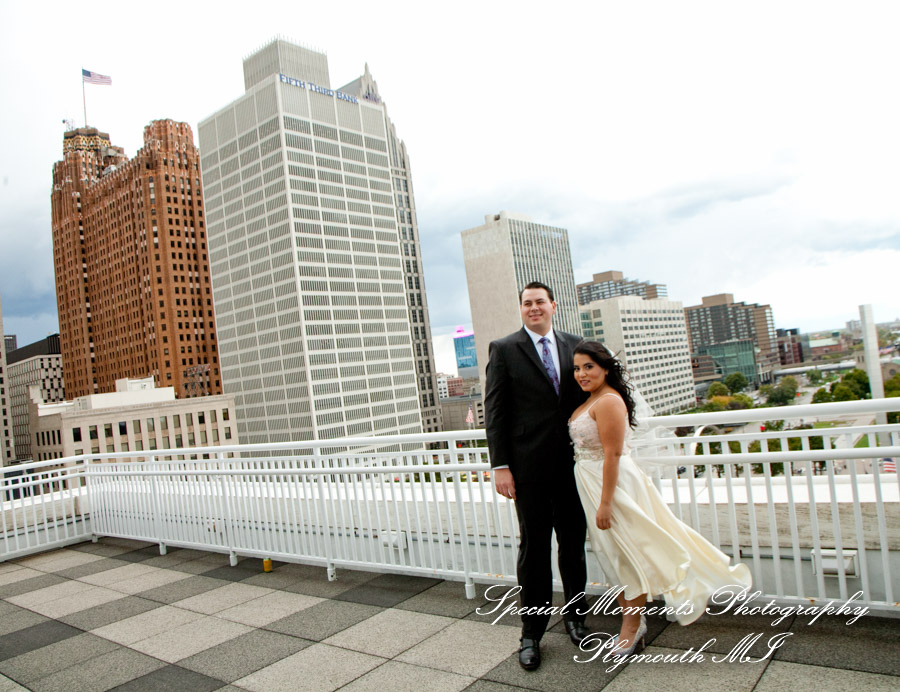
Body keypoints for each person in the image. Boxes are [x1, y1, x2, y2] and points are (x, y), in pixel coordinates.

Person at [569, 341, 752, 655]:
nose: (581, 374)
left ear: (606, 369)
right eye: (576, 368)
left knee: (627, 554)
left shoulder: (609, 401)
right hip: (591, 481)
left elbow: (613, 455)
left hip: (611, 485)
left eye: (589, 367)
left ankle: (632, 627)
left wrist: (606, 503)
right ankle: (632, 622)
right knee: (614, 553)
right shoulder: (591, 399)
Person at [485, 281, 590, 671]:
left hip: (573, 467)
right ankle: (531, 633)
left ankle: (577, 619)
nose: (534, 308)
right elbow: (495, 412)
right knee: (534, 551)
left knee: (573, 546)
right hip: (527, 470)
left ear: (553, 306)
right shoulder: (504, 349)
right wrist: (500, 466)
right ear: (521, 309)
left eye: (540, 302)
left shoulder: (576, 345)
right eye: (527, 303)